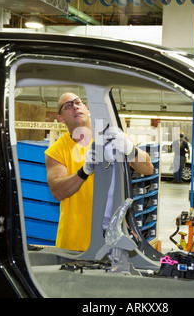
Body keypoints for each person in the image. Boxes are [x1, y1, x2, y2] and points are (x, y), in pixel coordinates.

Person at [44, 92, 154, 251]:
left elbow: (148, 168)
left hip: (112, 240)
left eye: (77, 102)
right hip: (74, 243)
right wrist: (85, 170)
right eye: (68, 106)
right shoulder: (56, 151)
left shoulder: (113, 137)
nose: (75, 106)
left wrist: (131, 150)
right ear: (60, 118)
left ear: (86, 108)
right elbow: (58, 191)